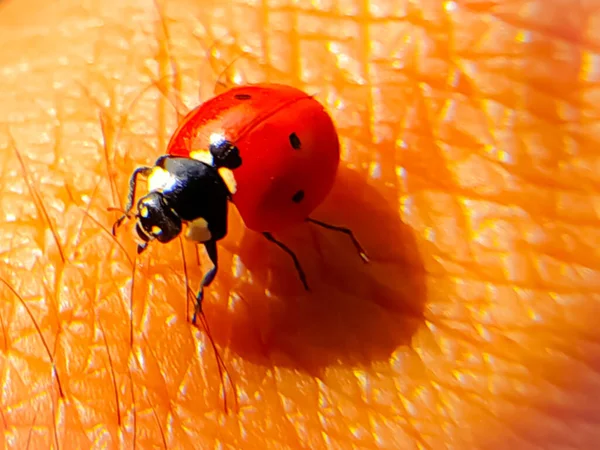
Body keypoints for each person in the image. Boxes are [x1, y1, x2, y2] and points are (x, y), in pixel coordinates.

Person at [0, 0, 595, 447]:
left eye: (159, 215)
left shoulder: (220, 185)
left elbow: (208, 237)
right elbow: (157, 178)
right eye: (156, 211)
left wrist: (200, 293)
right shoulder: (184, 151)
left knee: (258, 234)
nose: (155, 220)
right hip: (259, 131)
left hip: (282, 133)